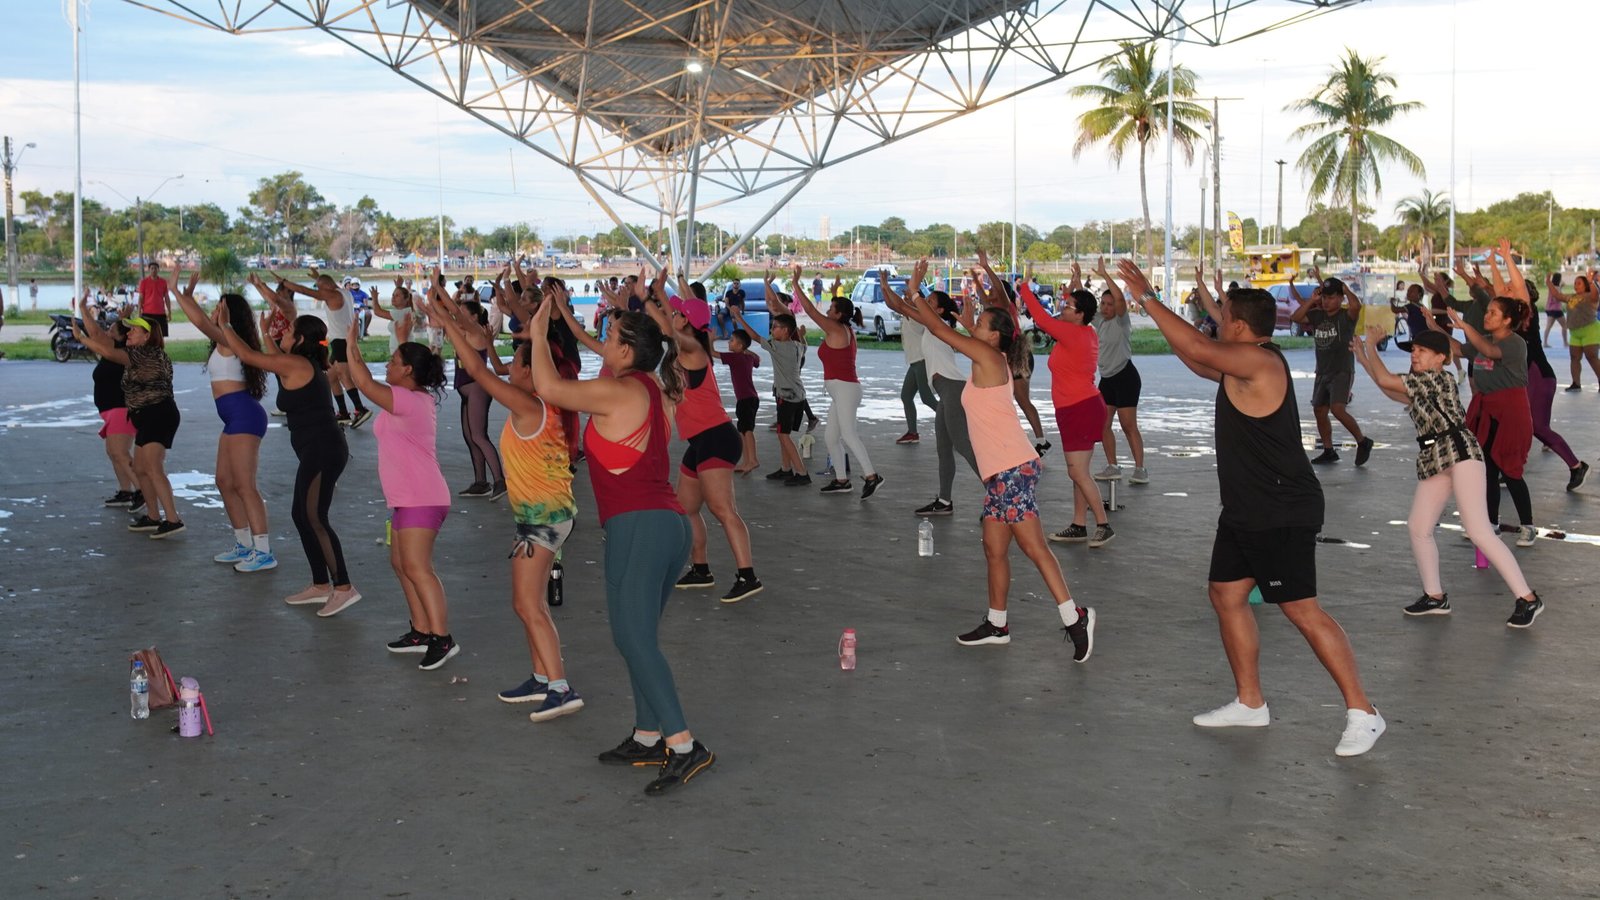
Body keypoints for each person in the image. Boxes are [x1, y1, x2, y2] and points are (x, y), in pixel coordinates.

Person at [1116, 258, 1384, 757]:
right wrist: (1158, 314)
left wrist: (1148, 298)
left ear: (1238, 326)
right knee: (1225, 595)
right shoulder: (1240, 364)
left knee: (1302, 611)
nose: (1216, 320)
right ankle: (1250, 702)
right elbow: (1193, 355)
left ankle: (1363, 712)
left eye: (1223, 316)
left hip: (1281, 508)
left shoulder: (1261, 362)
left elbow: (1198, 346)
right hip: (1246, 509)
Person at [526, 298, 715, 795]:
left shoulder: (619, 391)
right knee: (639, 638)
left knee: (633, 640)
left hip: (642, 529)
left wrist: (542, 331)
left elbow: (547, 388)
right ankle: (649, 734)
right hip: (662, 527)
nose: (601, 343)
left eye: (608, 338)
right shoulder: (651, 387)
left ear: (628, 350)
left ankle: (684, 745)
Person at [895, 270, 1097, 659]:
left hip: (1012, 470)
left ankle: (1076, 618)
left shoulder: (988, 357)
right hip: (1001, 475)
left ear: (992, 337)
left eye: (981, 323)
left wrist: (915, 290)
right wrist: (912, 301)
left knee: (1034, 548)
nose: (973, 325)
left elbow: (939, 328)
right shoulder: (986, 355)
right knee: (993, 547)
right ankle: (997, 623)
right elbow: (935, 324)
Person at [435, 292, 584, 719]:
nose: (510, 369)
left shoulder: (528, 403)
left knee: (526, 604)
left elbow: (480, 370)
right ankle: (543, 679)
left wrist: (448, 326)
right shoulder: (541, 402)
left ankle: (560, 687)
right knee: (530, 603)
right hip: (542, 519)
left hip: (542, 523)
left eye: (515, 363)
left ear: (527, 371)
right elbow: (488, 367)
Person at [1352, 326, 1545, 627]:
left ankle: (1528, 598)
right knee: (1418, 527)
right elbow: (1389, 389)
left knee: (1479, 531)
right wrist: (1366, 359)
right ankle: (1435, 596)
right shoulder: (1420, 384)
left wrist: (1373, 350)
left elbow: (1385, 379)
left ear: (1441, 358)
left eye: (1422, 351)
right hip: (1435, 458)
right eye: (1413, 350)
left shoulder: (1439, 378)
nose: (1414, 354)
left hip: (1460, 455)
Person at [224, 286, 360, 615]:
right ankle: (319, 584)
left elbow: (251, 356)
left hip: (323, 449)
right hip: (318, 448)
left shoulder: (298, 364)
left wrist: (228, 326)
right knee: (302, 515)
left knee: (315, 516)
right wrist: (265, 330)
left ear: (298, 340)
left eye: (289, 333)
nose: (282, 336)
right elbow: (270, 353)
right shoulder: (300, 362)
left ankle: (343, 586)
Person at [345, 312, 458, 669]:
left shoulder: (409, 400)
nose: (389, 366)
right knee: (401, 563)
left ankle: (442, 638)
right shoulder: (406, 398)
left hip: (422, 497)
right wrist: (400, 335)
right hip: (409, 498)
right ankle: (421, 630)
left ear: (408, 371)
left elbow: (362, 382)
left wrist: (351, 344)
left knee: (417, 566)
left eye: (394, 362)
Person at [641, 275, 763, 603]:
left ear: (689, 323)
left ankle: (747, 575)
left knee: (723, 509)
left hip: (718, 438)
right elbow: (671, 326)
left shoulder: (693, 349)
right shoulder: (684, 348)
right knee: (687, 508)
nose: (675, 315)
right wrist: (656, 295)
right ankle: (701, 568)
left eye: (680, 314)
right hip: (700, 442)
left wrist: (651, 297)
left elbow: (669, 326)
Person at [172, 274, 275, 572]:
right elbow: (203, 320)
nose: (215, 313)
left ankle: (264, 552)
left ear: (232, 316)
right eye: (216, 308)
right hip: (233, 418)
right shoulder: (222, 342)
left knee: (245, 485)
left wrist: (176, 293)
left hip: (245, 416)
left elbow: (201, 322)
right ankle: (244, 544)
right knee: (223, 482)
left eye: (221, 309)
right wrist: (186, 294)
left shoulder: (230, 340)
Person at [1451, 242, 1538, 549]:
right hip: (1487, 408)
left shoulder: (1515, 341)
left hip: (1510, 409)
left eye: (1491, 312)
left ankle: (1528, 525)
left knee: (1511, 469)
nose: (1486, 315)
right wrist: (1434, 325)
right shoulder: (1487, 334)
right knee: (1486, 466)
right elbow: (1460, 348)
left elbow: (1488, 350)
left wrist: (1464, 325)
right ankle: (1490, 523)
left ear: (1507, 318)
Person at [75, 306, 185, 538]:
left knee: (153, 468)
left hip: (158, 414)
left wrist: (81, 338)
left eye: (135, 330)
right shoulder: (140, 353)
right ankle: (153, 517)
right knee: (141, 469)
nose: (130, 333)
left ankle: (173, 519)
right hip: (146, 416)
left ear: (147, 336)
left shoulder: (145, 354)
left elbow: (109, 352)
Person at [1020, 278, 1113, 548]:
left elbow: (1039, 317)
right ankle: (1078, 524)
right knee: (1079, 471)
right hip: (1076, 408)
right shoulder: (1083, 331)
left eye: (1068, 306)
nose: (1063, 308)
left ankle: (1103, 524)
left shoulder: (1074, 333)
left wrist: (1024, 289)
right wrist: (1070, 290)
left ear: (1080, 314)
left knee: (1077, 472)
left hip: (1080, 408)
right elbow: (1065, 312)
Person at [878, 266, 978, 517]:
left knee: (964, 446)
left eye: (930, 301)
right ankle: (944, 501)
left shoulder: (937, 325)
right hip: (946, 391)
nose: (925, 302)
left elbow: (902, 306)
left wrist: (913, 286)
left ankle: (1000, 495)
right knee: (944, 449)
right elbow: (898, 306)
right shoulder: (933, 324)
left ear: (941, 310)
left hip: (953, 388)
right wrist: (884, 284)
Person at [793, 264, 884, 498]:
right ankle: (842, 480)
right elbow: (831, 310)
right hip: (841, 390)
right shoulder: (841, 327)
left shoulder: (836, 329)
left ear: (838, 314)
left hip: (845, 389)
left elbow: (812, 311)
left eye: (832, 307)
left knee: (848, 434)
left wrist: (795, 285)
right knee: (830, 437)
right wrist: (835, 291)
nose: (828, 310)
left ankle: (872, 476)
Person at [1290, 272, 1373, 466]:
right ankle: (1328, 450)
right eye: (1325, 297)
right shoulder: (1317, 315)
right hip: (1322, 370)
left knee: (1337, 409)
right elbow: (1296, 317)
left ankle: (1362, 441)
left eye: (1332, 297)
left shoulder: (1346, 316)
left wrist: (1345, 288)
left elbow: (1356, 306)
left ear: (1340, 298)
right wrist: (1312, 301)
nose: (1327, 301)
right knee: (1319, 410)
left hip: (1342, 370)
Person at [273, 268, 371, 427]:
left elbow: (306, 291)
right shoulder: (342, 291)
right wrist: (318, 277)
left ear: (325, 287)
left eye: (319, 286)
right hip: (338, 341)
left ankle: (360, 409)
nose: (318, 290)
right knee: (331, 376)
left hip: (341, 341)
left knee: (344, 376)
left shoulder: (331, 294)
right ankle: (343, 413)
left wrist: (284, 282)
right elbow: (326, 283)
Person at [974, 251, 1049, 456]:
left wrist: (986, 266)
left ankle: (1041, 441)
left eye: (993, 292)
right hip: (1009, 357)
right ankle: (1014, 437)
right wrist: (976, 278)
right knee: (1011, 398)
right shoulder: (991, 310)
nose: (989, 295)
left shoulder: (1007, 308)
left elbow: (998, 287)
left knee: (1022, 399)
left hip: (1019, 356)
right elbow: (983, 294)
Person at [733, 288, 809, 486]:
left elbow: (755, 337)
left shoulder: (778, 347)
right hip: (798, 396)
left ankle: (801, 472)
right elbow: (800, 338)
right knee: (784, 434)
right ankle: (786, 468)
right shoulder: (798, 346)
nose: (772, 330)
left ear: (785, 331)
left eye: (775, 327)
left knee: (783, 436)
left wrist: (739, 318)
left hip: (787, 397)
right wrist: (800, 332)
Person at [1519, 281, 1588, 491]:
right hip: (1531, 378)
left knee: (1536, 427)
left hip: (1540, 377)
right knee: (1523, 425)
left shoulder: (1526, 313)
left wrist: (1502, 259)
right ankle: (1510, 469)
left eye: (1509, 287)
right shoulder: (1511, 316)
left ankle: (1577, 466)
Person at [1089, 258, 1148, 484]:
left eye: (1109, 304)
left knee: (1128, 424)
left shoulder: (1122, 321)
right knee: (1103, 424)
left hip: (1125, 377)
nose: (1105, 308)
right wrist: (1076, 280)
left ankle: (1141, 469)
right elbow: (1082, 305)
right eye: (1103, 303)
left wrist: (1105, 275)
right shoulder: (1099, 320)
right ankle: (1113, 466)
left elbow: (1122, 300)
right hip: (1107, 379)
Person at [449, 297, 509, 499]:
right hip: (466, 391)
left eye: (463, 313)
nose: (458, 315)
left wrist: (438, 288)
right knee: (470, 437)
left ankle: (500, 481)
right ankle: (480, 482)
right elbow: (447, 319)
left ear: (474, 317)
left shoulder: (476, 332)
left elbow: (454, 316)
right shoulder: (463, 333)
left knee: (479, 436)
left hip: (477, 390)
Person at [88, 315, 140, 511]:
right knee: (113, 452)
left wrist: (83, 308)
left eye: (111, 330)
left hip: (121, 408)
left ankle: (141, 491)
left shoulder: (122, 353)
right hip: (111, 410)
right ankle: (126, 491)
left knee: (120, 452)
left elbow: (94, 334)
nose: (106, 333)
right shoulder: (113, 351)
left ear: (120, 337)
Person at [712, 328, 762, 475]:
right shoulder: (747, 357)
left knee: (747, 430)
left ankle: (753, 460)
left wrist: (710, 340)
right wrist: (747, 351)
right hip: (749, 398)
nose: (729, 342)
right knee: (742, 430)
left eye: (732, 340)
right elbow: (757, 360)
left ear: (740, 346)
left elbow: (712, 353)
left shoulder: (735, 358)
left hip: (746, 399)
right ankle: (747, 462)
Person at [895, 276, 938, 444]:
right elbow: (895, 304)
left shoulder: (920, 317)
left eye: (908, 298)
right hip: (914, 362)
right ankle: (912, 432)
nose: (905, 301)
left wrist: (910, 297)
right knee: (906, 396)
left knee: (927, 399)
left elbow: (919, 330)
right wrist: (885, 287)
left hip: (922, 361)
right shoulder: (908, 314)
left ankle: (956, 423)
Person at [1547, 270, 1599, 390]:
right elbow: (1557, 295)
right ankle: (1576, 383)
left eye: (1579, 283)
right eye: (1575, 283)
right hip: (1575, 332)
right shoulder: (1571, 297)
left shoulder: (1590, 297)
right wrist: (1548, 282)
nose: (1576, 285)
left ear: (1585, 284)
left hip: (1590, 330)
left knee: (1592, 357)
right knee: (1574, 357)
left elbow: (1595, 294)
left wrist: (1591, 281)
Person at [369, 276, 417, 353]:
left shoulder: (401, 313)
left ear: (406, 299)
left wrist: (374, 297)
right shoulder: (406, 310)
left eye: (397, 296)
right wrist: (398, 287)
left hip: (403, 352)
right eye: (393, 295)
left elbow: (377, 312)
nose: (393, 298)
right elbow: (403, 294)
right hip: (402, 350)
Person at [136, 262, 173, 336]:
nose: (153, 270)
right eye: (152, 268)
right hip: (147, 313)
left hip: (160, 313)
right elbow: (140, 298)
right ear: (149, 270)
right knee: (147, 334)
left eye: (155, 268)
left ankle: (159, 347)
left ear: (158, 270)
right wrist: (139, 311)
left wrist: (169, 311)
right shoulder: (144, 282)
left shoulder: (163, 282)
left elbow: (167, 297)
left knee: (161, 335)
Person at [1542, 274, 1567, 348]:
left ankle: (1545, 342)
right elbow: (1557, 298)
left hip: (1549, 308)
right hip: (1556, 309)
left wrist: (1561, 287)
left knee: (1548, 326)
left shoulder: (1551, 287)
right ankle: (1565, 342)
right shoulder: (1557, 288)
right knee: (1564, 325)